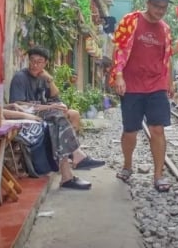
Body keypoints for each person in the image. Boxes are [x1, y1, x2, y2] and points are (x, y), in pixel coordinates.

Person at [7, 47, 105, 189]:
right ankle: (75, 158)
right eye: (33, 61)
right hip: (27, 116)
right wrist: (48, 108)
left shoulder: (42, 77)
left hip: (42, 114)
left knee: (68, 115)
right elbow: (17, 104)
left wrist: (50, 80)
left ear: (45, 63)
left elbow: (55, 96)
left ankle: (70, 169)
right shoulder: (20, 78)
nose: (35, 65)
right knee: (57, 119)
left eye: (39, 62)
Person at [110, 0, 174, 192]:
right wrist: (118, 75)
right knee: (130, 130)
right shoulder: (131, 21)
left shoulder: (165, 29)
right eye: (156, 6)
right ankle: (128, 164)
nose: (159, 11)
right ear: (147, 3)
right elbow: (119, 48)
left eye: (163, 8)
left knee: (158, 129)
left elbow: (167, 58)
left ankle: (158, 175)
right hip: (132, 85)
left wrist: (169, 83)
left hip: (156, 85)